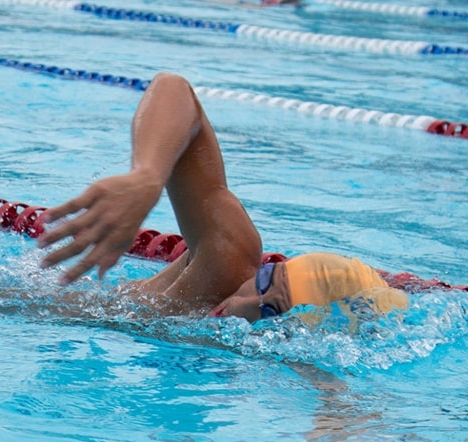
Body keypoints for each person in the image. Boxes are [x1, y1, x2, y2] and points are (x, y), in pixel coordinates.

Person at [38, 72, 407, 326]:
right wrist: (147, 176)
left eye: (272, 310)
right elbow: (174, 88)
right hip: (29, 305)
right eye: (264, 279)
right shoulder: (230, 260)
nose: (248, 299)